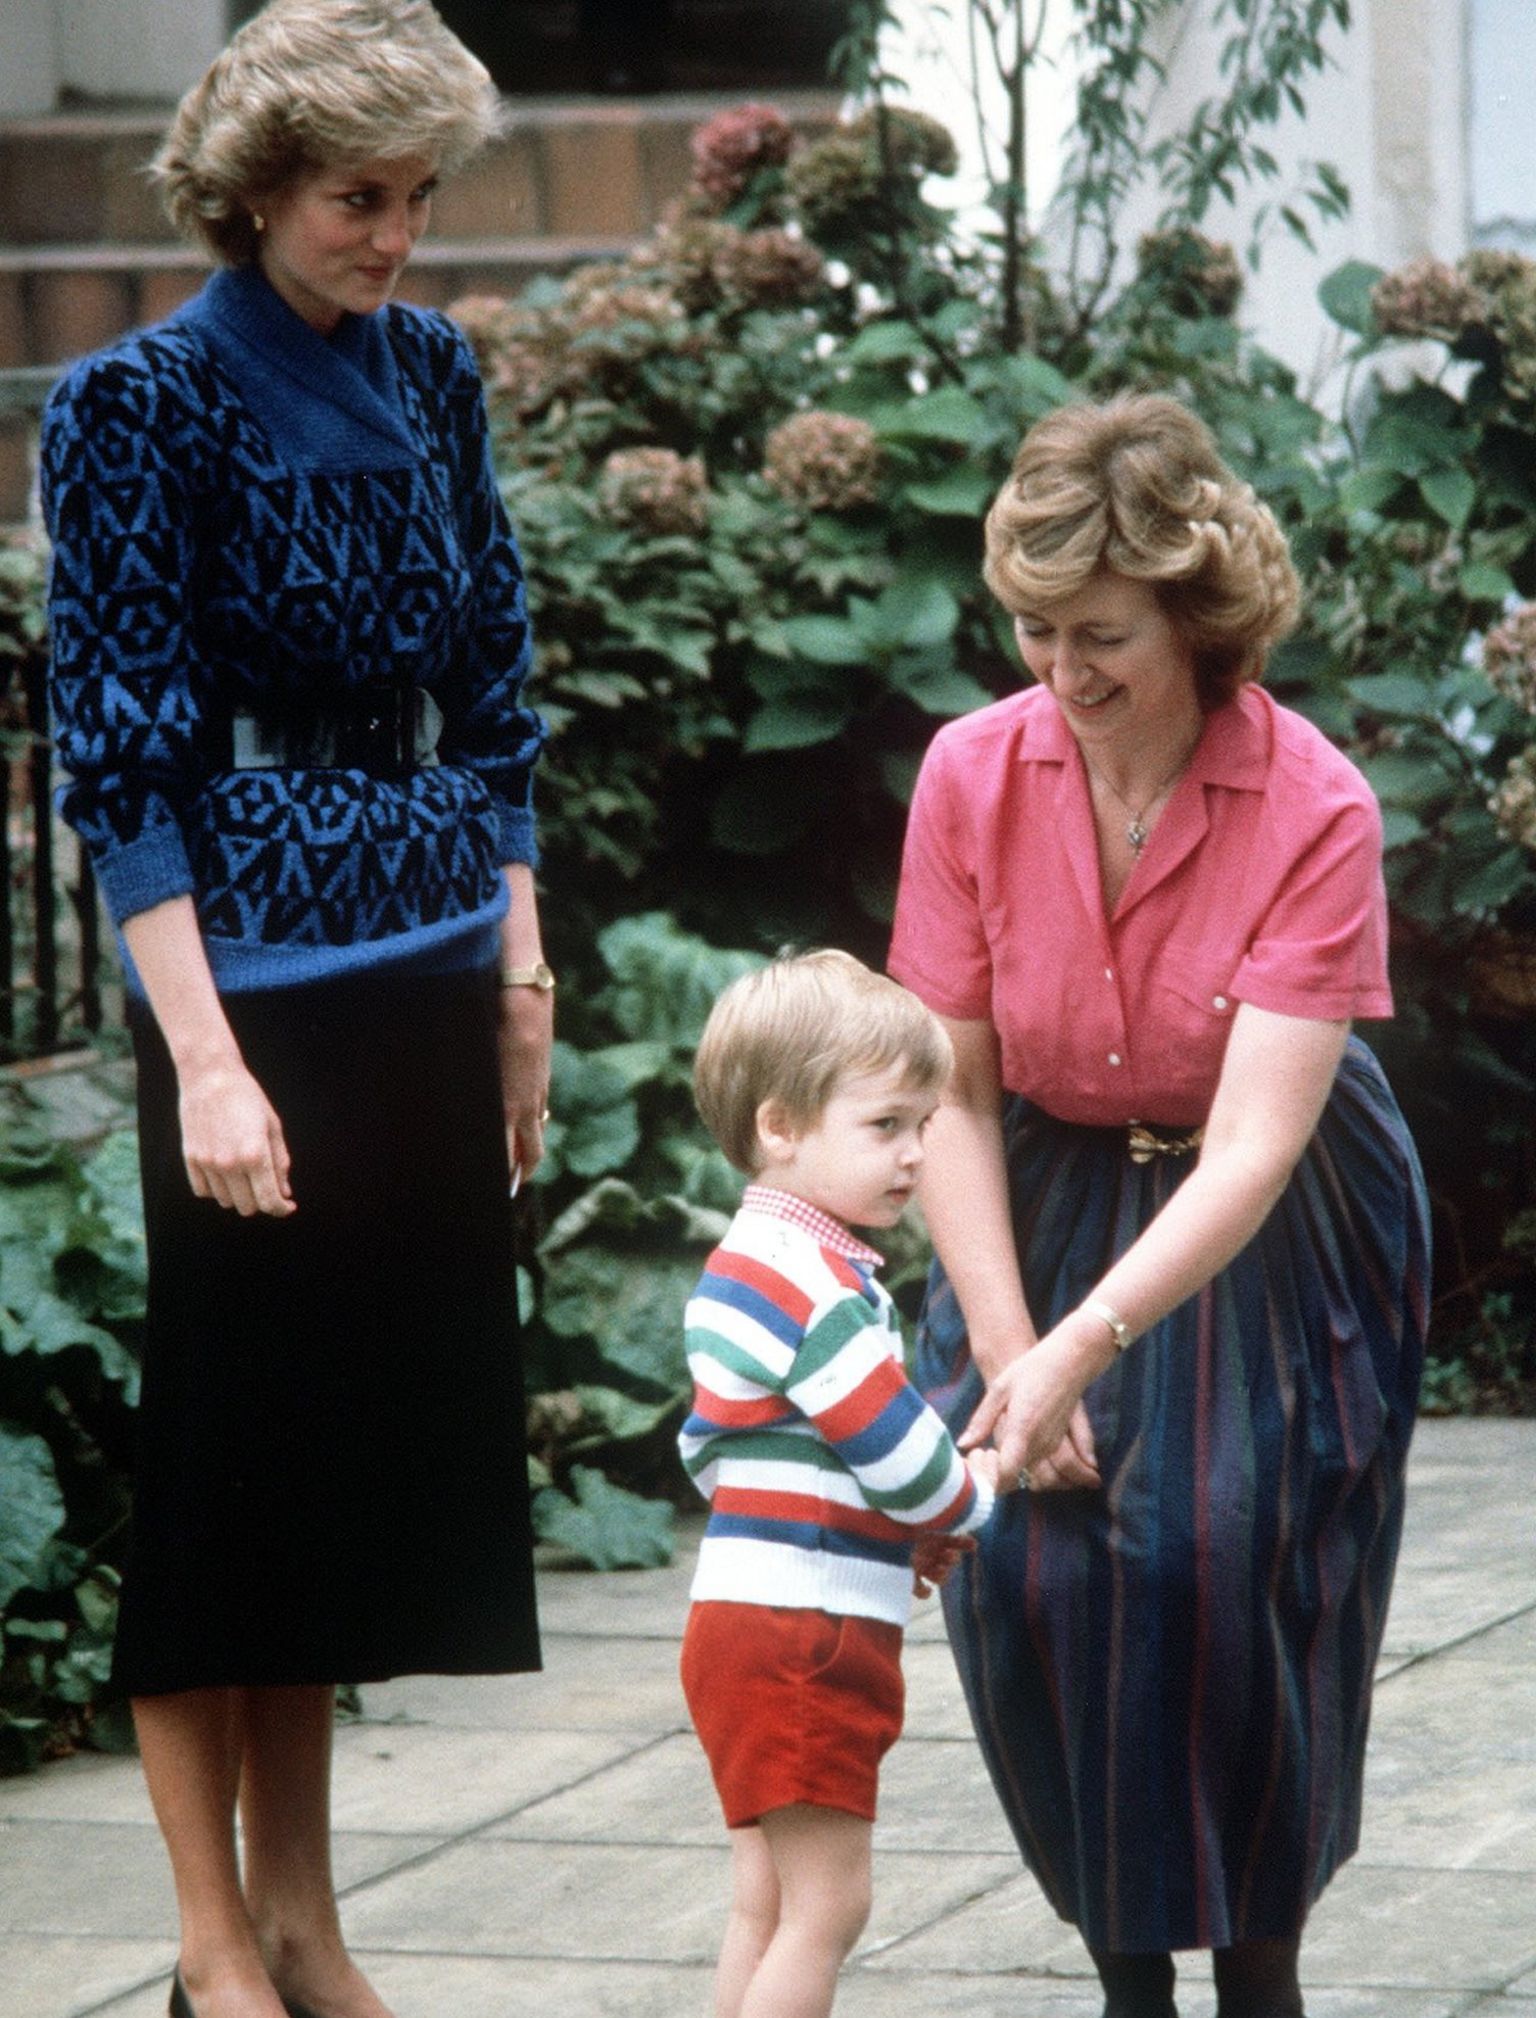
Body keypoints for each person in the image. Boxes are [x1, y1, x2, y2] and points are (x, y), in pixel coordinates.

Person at [39, 6, 551, 2017]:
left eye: (423, 196)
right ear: (260, 189)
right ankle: (204, 1945)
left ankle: (310, 1922)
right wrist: (210, 1063)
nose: (401, 235)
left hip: (430, 975)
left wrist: (519, 972)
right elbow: (119, 765)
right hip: (246, 996)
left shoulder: (435, 374)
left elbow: (498, 695)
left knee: (344, 1496)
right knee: (228, 1487)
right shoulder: (130, 404)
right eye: (364, 196)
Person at [887, 394, 1431, 2018]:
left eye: (1102, 632)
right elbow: (957, 1092)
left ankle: (1257, 1970)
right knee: (1024, 1562)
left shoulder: (1312, 802)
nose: (1062, 670)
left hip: (1265, 1214)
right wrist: (1006, 1344)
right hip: (1036, 1183)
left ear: (1197, 611)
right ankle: (1131, 1984)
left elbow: (1255, 1149)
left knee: (1216, 1553)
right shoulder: (970, 773)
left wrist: (1084, 1347)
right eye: (1037, 629)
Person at [679, 949, 999, 2018]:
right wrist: (976, 1484)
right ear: (780, 1124)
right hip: (805, 1641)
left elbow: (746, 1454)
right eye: (887, 1125)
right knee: (830, 1908)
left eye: (925, 1122)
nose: (917, 1153)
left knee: (764, 1903)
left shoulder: (745, 1262)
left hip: (736, 1625)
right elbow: (913, 1464)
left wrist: (887, 1526)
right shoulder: (821, 1288)